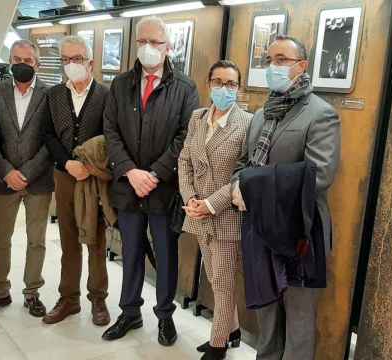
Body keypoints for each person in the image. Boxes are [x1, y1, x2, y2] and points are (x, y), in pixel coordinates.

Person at [232, 35, 341, 360]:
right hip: (261, 229)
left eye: (282, 60)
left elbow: (318, 175)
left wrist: (251, 185)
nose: (273, 67)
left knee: (298, 316)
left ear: (302, 66)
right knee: (266, 308)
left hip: (300, 232)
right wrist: (239, 183)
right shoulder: (263, 113)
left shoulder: (321, 114)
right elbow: (245, 163)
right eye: (269, 60)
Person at [102, 16, 199, 346]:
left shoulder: (185, 88)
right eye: (142, 41)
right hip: (128, 186)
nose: (148, 48)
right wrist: (131, 171)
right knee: (129, 251)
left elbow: (185, 137)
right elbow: (111, 132)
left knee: (166, 254)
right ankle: (129, 312)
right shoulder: (120, 85)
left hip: (163, 189)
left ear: (168, 47)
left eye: (155, 42)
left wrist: (155, 173)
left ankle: (165, 316)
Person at [178, 60, 252, 360]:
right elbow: (184, 160)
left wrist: (209, 204)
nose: (224, 88)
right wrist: (191, 199)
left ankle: (218, 344)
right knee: (213, 276)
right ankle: (231, 329)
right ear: (209, 84)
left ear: (239, 88)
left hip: (225, 216)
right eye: (218, 82)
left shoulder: (247, 123)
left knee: (222, 283)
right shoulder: (197, 117)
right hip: (196, 211)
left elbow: (243, 173)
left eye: (231, 83)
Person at [0, 40, 53, 318]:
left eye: (28, 60)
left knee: (37, 241)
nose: (22, 64)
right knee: (0, 240)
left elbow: (52, 139)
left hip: (39, 181)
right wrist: (6, 170)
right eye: (17, 59)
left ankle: (32, 292)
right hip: (2, 179)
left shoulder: (50, 94)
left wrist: (28, 172)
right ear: (10, 61)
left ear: (38, 63)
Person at [42, 35, 110, 327]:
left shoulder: (107, 96)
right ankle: (69, 298)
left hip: (94, 180)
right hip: (65, 176)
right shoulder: (54, 95)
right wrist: (66, 162)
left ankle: (98, 298)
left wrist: (89, 167)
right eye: (66, 60)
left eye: (77, 59)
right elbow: (47, 134)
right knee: (69, 239)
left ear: (90, 62)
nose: (72, 65)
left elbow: (111, 136)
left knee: (95, 239)